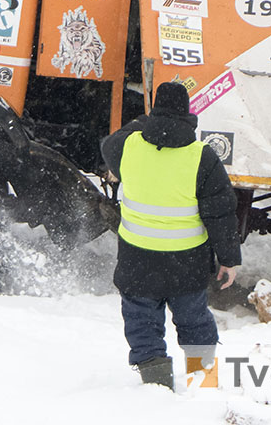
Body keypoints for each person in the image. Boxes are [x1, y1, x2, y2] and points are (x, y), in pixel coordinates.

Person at [100, 81, 240, 389]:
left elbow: (110, 142)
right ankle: (204, 383)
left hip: (137, 261)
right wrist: (228, 259)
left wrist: (145, 120)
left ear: (154, 110)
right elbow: (221, 214)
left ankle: (155, 386)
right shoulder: (202, 157)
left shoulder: (127, 146)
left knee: (143, 325)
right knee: (193, 321)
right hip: (186, 265)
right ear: (187, 112)